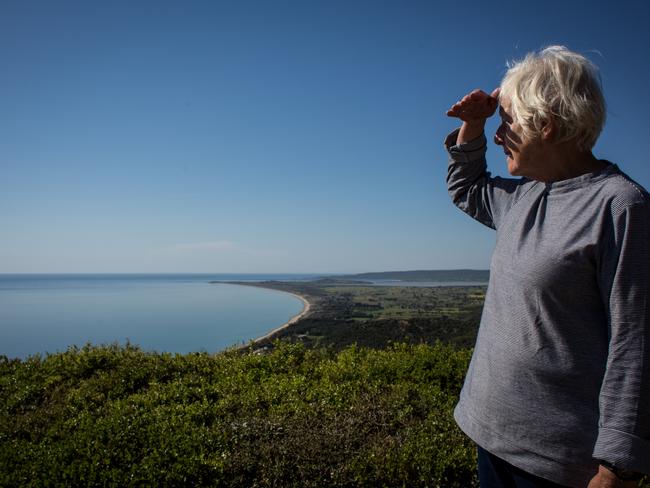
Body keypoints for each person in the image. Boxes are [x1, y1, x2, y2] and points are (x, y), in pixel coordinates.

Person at [444, 45, 650, 487]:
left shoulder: (621, 207)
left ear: (547, 125)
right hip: (491, 436)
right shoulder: (524, 195)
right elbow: (467, 187)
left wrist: (618, 468)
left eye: (508, 124)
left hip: (559, 465)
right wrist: (473, 124)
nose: (500, 137)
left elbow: (637, 344)